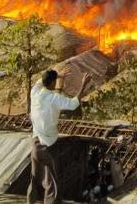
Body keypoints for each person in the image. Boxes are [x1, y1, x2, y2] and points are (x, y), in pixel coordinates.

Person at [28, 69, 91, 204]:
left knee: (34, 179)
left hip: (35, 144)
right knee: (53, 185)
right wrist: (83, 84)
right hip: (48, 146)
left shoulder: (35, 92)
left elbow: (39, 82)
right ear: (52, 83)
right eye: (55, 81)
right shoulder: (53, 98)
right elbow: (73, 103)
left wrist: (58, 76)